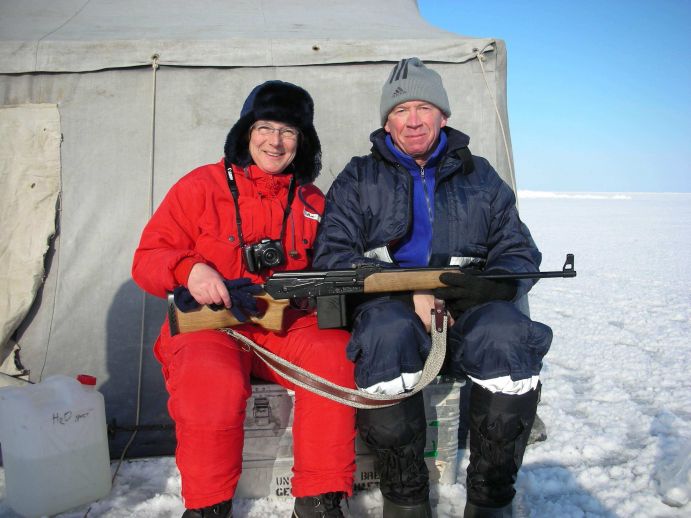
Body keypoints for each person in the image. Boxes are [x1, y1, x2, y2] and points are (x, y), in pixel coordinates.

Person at [312, 58, 553, 517]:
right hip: (390, 307)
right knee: (385, 335)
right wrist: (406, 292)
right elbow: (333, 255)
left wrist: (487, 288)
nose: (414, 120)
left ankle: (491, 496)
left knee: (506, 335)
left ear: (444, 115)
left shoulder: (480, 176)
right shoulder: (359, 178)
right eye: (401, 111)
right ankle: (404, 498)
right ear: (387, 121)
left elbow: (518, 251)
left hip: (469, 310)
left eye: (424, 107)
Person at [132, 80, 355, 518]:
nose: (275, 142)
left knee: (336, 356)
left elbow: (335, 261)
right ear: (246, 132)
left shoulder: (313, 200)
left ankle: (318, 498)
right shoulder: (200, 186)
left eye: (289, 132)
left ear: (302, 141)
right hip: (212, 324)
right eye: (265, 127)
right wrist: (188, 270)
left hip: (285, 326)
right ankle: (208, 505)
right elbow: (147, 258)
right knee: (209, 381)